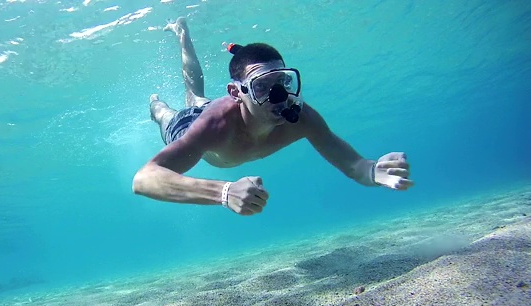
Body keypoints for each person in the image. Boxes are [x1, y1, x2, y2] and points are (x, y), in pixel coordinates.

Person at [132, 17, 414, 216]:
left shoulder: (301, 117)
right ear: (236, 92)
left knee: (197, 96)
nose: (278, 96)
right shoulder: (214, 127)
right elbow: (144, 179)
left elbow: (355, 166)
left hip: (218, 111)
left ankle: (182, 31)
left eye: (282, 82)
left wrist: (373, 171)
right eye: (262, 86)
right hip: (189, 123)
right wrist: (223, 192)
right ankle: (156, 104)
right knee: (173, 111)